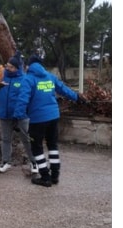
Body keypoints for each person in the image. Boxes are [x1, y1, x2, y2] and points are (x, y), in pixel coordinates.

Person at [16, 55, 87, 187]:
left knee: (36, 148)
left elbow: (22, 100)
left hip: (38, 119)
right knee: (52, 145)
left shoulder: (28, 79)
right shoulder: (50, 76)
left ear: (29, 65)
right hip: (53, 116)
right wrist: (77, 97)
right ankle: (55, 176)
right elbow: (63, 89)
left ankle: (45, 177)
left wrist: (18, 117)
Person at [0, 51, 38, 174]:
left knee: (26, 140)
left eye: (10, 66)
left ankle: (34, 162)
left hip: (21, 116)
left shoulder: (24, 79)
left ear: (16, 68)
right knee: (5, 139)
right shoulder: (2, 75)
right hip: (4, 115)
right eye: (7, 65)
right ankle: (6, 162)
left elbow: (29, 97)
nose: (7, 68)